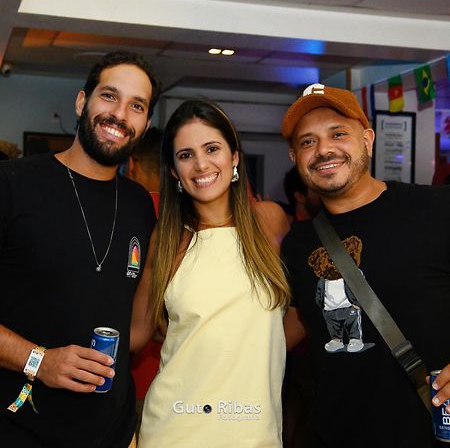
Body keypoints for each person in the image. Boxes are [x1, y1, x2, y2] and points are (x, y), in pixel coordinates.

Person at [0, 50, 160, 448]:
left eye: (136, 106)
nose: (120, 114)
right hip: (20, 428)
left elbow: (135, 327)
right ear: (81, 101)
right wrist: (39, 360)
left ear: (145, 123)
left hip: (111, 433)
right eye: (109, 96)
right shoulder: (12, 184)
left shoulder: (141, 204)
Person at [280, 83, 450, 447]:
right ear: (295, 157)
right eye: (307, 142)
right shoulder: (298, 244)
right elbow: (280, 334)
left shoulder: (435, 210)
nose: (323, 149)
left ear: (368, 139)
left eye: (338, 134)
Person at [137, 100, 290, 447]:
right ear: (174, 171)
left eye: (212, 149)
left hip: (255, 429)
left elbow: (296, 318)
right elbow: (134, 334)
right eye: (186, 155)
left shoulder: (270, 223)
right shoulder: (167, 239)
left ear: (234, 156)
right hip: (174, 430)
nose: (201, 164)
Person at [125, 127, 164, 435]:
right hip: (182, 385)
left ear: (132, 164)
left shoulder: (125, 214)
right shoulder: (195, 218)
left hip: (132, 381)